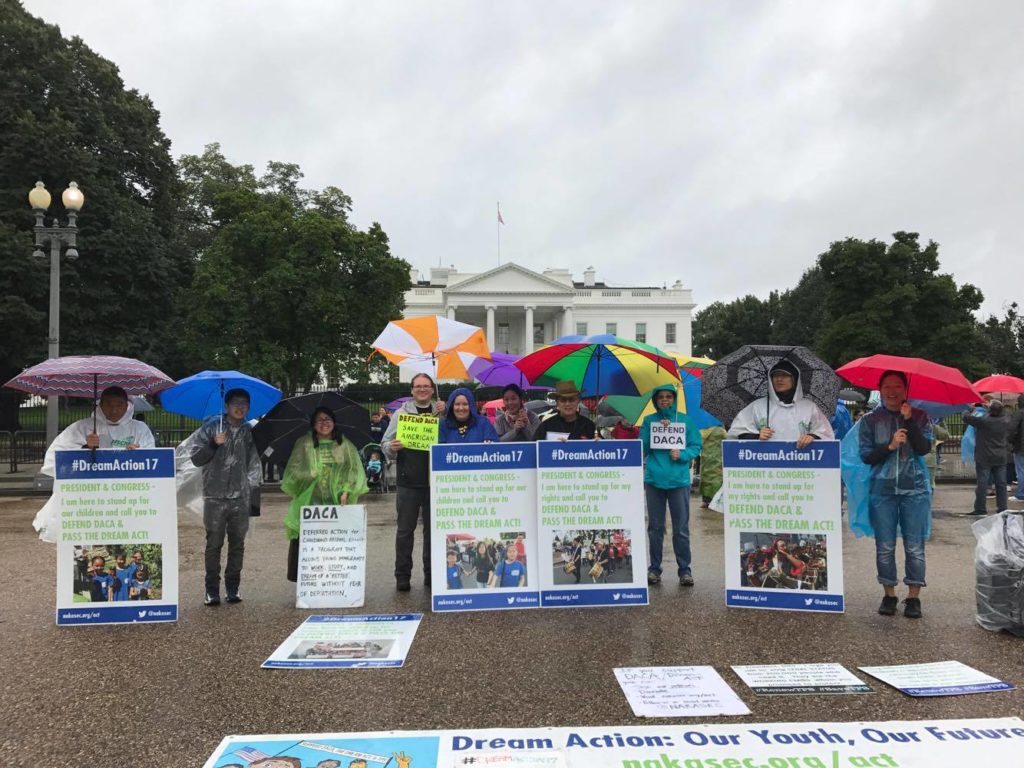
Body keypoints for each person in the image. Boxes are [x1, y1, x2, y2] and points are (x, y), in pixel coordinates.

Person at [33, 387, 156, 543]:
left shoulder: (139, 429)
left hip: (126, 500)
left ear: (127, 406)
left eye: (119, 405)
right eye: (109, 405)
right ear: (100, 405)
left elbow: (152, 462)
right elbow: (55, 460)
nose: (114, 410)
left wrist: (138, 454)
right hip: (90, 501)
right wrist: (85, 448)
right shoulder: (82, 428)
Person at [859, 371, 932, 619]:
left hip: (915, 491)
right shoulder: (870, 420)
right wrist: (890, 446)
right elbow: (866, 456)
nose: (892, 391)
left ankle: (913, 598)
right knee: (885, 546)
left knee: (915, 546)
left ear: (905, 389)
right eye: (887, 386)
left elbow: (924, 449)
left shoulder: (921, 417)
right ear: (879, 389)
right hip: (883, 491)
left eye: (897, 386)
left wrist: (910, 422)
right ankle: (889, 594)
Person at [190, 388, 262, 606]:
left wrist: (254, 499)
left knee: (238, 544)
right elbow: (195, 458)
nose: (240, 408)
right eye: (235, 403)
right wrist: (213, 443)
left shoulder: (251, 431)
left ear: (248, 408)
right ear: (226, 406)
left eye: (244, 404)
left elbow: (255, 466)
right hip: (214, 496)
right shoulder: (212, 427)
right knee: (214, 544)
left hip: (240, 497)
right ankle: (211, 589)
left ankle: (233, 587)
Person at [281, 406, 368, 581]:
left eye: (328, 419)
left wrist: (346, 490)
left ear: (334, 422)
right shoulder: (304, 444)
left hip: (336, 503)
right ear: (313, 424)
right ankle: (307, 582)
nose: (324, 423)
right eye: (319, 420)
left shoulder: (343, 444)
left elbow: (352, 470)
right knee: (308, 541)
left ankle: (333, 582)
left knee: (333, 544)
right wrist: (309, 473)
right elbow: (292, 473)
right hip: (309, 503)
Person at [382, 373, 446, 591]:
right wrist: (392, 447)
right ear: (411, 390)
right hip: (407, 482)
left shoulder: (440, 413)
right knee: (404, 531)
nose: (422, 389)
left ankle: (431, 573)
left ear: (432, 389)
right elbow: (385, 443)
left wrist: (444, 416)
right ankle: (402, 575)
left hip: (434, 481)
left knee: (432, 532)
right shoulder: (400, 415)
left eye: (426, 386)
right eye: (418, 386)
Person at [640, 384, 703, 586]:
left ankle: (685, 570)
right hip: (654, 481)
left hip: (679, 481)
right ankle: (654, 569)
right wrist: (655, 431)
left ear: (674, 399)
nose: (665, 400)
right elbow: (642, 447)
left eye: (669, 396)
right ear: (655, 400)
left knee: (681, 529)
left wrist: (682, 454)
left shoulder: (684, 420)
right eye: (661, 397)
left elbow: (696, 445)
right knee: (655, 528)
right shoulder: (649, 421)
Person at [727, 360, 834, 446]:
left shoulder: (810, 407)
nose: (779, 379)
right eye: (775, 375)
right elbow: (735, 434)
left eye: (785, 375)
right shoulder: (757, 406)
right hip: (765, 467)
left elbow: (826, 434)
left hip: (801, 467)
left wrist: (812, 436)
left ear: (795, 379)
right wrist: (756, 436)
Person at [964, 399, 1011, 515]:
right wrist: (991, 407)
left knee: (982, 484)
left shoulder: (984, 420)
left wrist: (969, 408)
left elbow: (966, 417)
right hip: (1000, 457)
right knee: (1001, 484)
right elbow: (1004, 412)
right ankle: (1002, 508)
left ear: (990, 410)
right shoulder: (1006, 420)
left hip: (984, 457)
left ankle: (980, 509)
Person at [698, 425, 726, 507]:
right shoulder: (721, 430)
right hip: (717, 458)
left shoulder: (702, 430)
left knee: (706, 477)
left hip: (706, 457)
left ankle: (706, 500)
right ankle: (716, 500)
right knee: (717, 478)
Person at [1011, 395, 1024, 502]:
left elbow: (1012, 430)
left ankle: (1020, 494)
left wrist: (1010, 441)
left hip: (1020, 447)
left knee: (1021, 471)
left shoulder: (1019, 413)